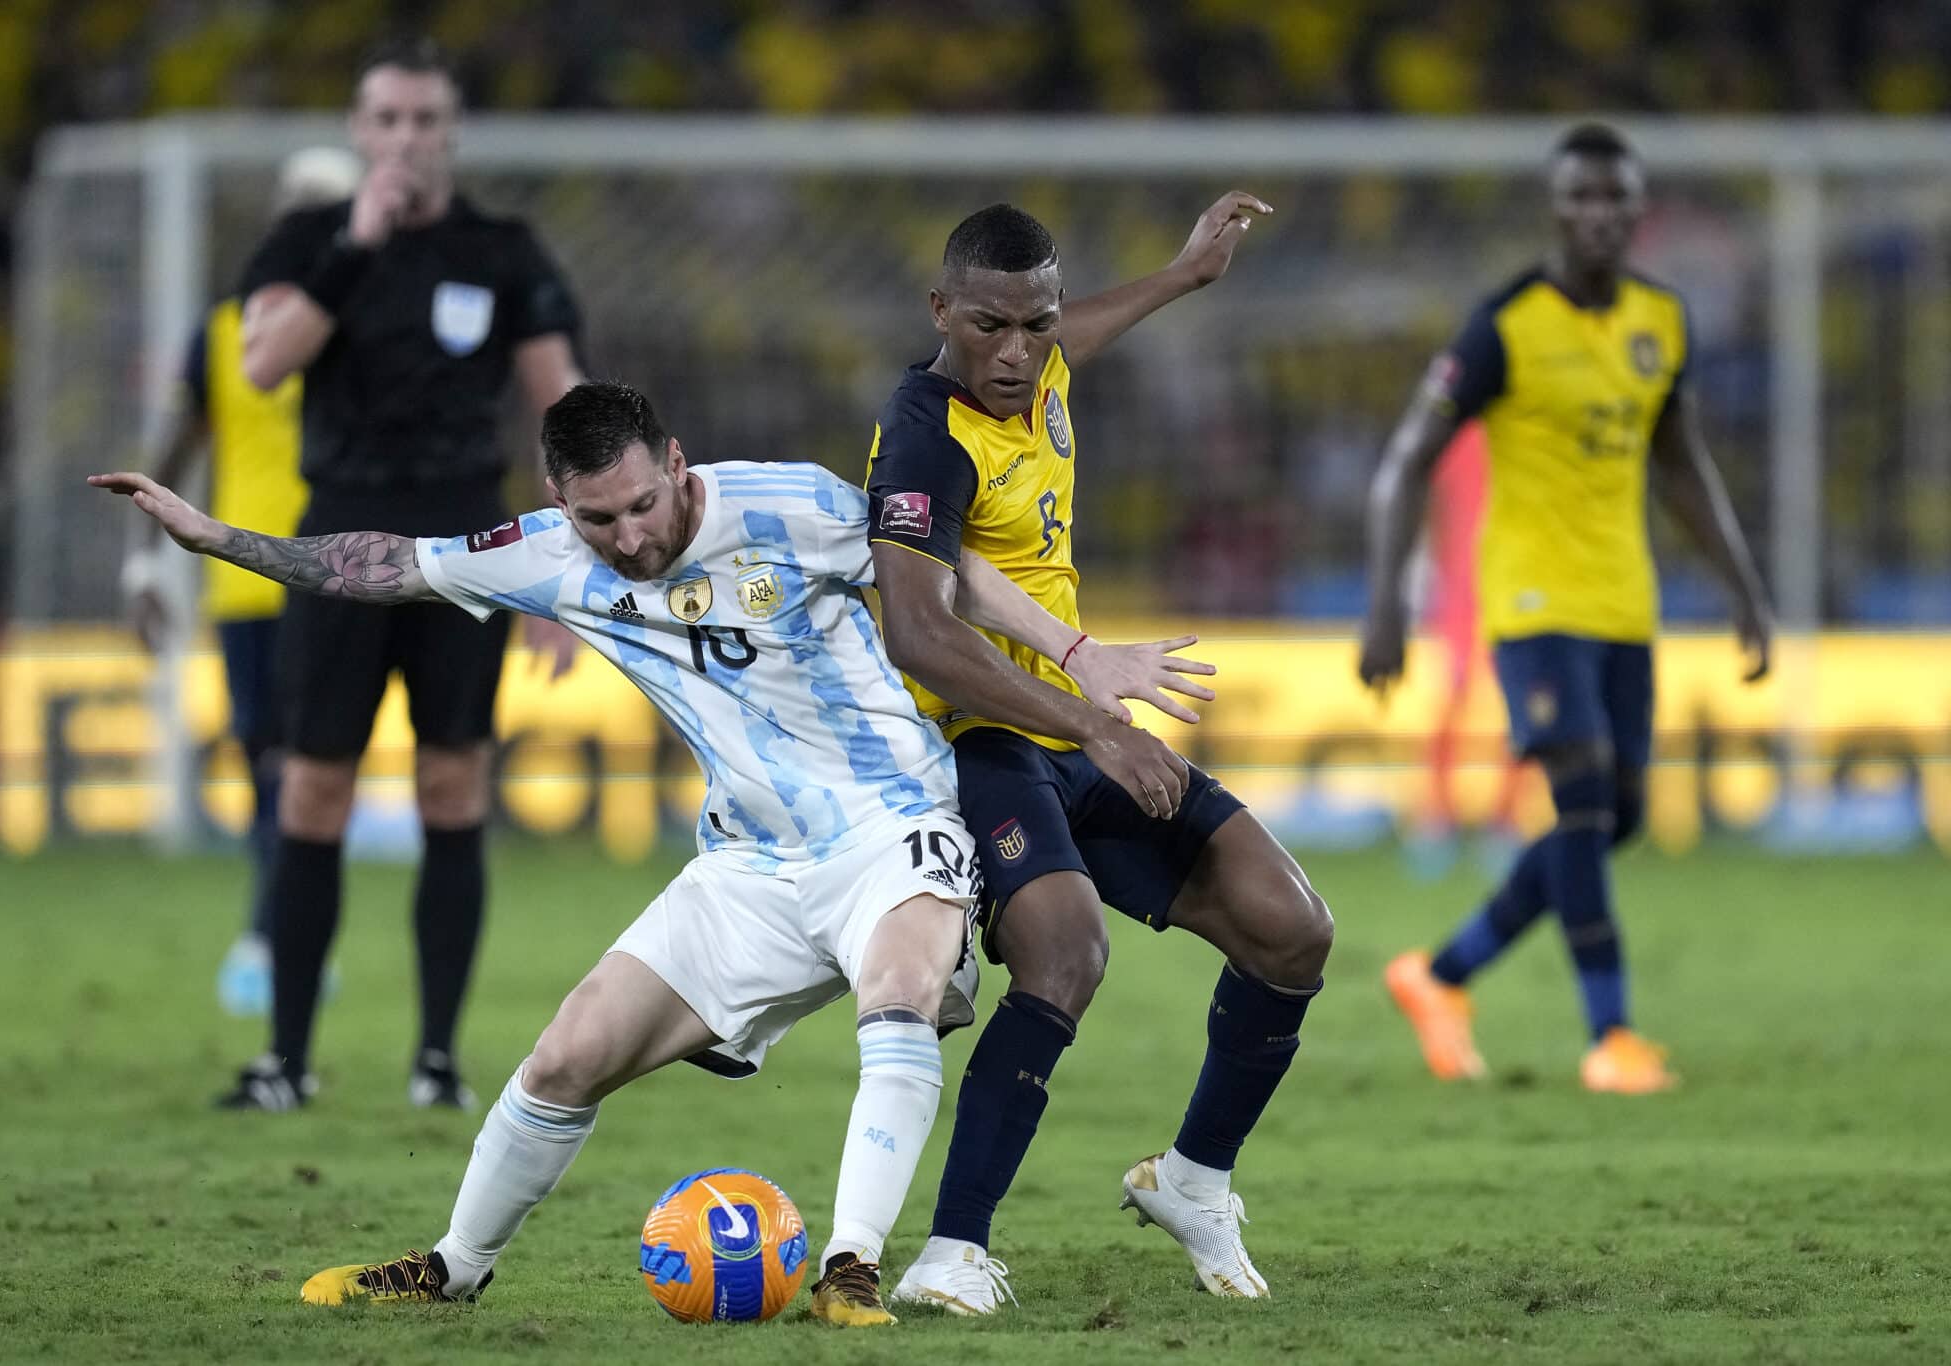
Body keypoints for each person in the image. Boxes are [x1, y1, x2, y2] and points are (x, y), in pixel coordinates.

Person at [92, 380, 1216, 1325]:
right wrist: (214, 539)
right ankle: (452, 1268)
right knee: (562, 1058)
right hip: (746, 865)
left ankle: (849, 1266)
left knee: (902, 990)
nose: (628, 538)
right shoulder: (543, 556)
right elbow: (382, 562)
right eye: (597, 520)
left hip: (891, 824)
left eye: (641, 504)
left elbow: (949, 573)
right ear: (556, 503)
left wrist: (1078, 651)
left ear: (677, 464)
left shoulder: (793, 504)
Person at [862, 199, 1335, 1311]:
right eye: (990, 326)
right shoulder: (926, 431)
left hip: (1075, 730)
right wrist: (1096, 722)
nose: (1017, 352)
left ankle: (1192, 1179)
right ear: (940, 311)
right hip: (979, 741)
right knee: (1066, 953)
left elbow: (1080, 335)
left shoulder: (1039, 369)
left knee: (1290, 927)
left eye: (1038, 324)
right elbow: (917, 629)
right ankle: (950, 1251)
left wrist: (1182, 276)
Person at [1359, 123, 1774, 1094]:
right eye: (1578, 198)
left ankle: (1440, 973)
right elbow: (1409, 456)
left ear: (1636, 212)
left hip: (1623, 603)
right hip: (1529, 601)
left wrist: (1744, 588)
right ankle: (1611, 1036)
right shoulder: (1503, 324)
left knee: (1613, 814)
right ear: (1555, 209)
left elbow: (1680, 462)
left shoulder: (1659, 322)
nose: (1595, 215)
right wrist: (1384, 601)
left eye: (1612, 199)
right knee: (1582, 799)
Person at [222, 40, 585, 1111]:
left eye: (427, 121)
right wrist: (356, 244)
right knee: (314, 788)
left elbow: (561, 406)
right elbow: (261, 361)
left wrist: (565, 563)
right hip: (337, 545)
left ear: (451, 132)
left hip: (467, 554)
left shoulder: (503, 249)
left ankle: (437, 1059)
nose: (408, 140)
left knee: (452, 785)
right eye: (388, 121)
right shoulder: (305, 239)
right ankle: (285, 1059)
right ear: (357, 130)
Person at [122, 146, 362, 1017]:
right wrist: (144, 558)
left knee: (301, 768)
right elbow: (176, 446)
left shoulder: (341, 321)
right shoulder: (247, 327)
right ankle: (276, 935)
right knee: (279, 769)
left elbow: (176, 441)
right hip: (261, 577)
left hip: (332, 573)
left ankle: (280, 936)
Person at [1401, 421, 1527, 880]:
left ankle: (1506, 821)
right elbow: (1431, 499)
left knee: (1519, 702)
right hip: (1460, 587)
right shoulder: (1458, 427)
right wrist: (1426, 562)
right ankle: (1437, 818)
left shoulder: (1524, 426)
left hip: (1515, 583)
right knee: (1453, 698)